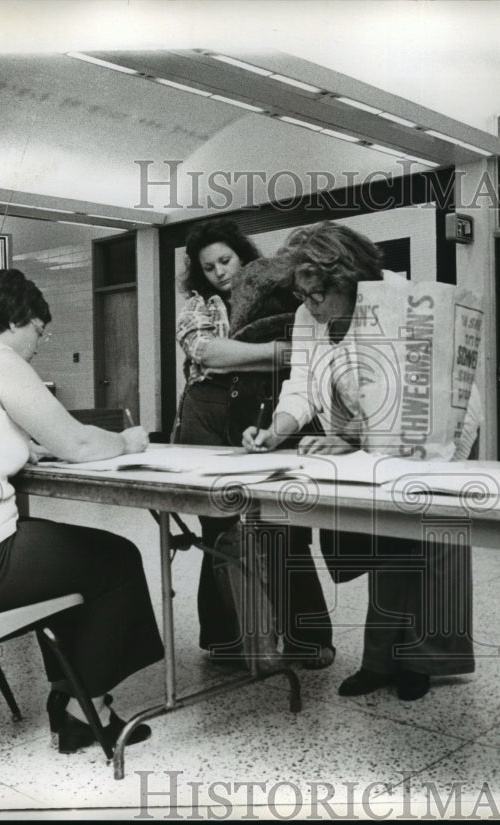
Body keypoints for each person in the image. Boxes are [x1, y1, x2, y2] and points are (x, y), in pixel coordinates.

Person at [0, 268, 164, 754]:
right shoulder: (0, 359)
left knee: (71, 554)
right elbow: (79, 442)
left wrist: (23, 447)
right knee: (117, 559)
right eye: (39, 332)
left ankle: (69, 692)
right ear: (18, 319)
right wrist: (128, 440)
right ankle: (83, 711)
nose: (38, 345)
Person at [244, 221, 475, 700]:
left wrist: (354, 437)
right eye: (301, 293)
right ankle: (379, 661)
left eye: (317, 293)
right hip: (367, 442)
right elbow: (302, 385)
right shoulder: (312, 315)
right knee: (388, 542)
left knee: (430, 544)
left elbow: (413, 396)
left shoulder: (402, 302)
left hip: (436, 436)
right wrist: (276, 431)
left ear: (349, 280)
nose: (309, 305)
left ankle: (421, 662)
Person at [173, 218, 334, 669]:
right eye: (209, 267)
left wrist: (260, 354)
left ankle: (307, 638)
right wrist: (282, 353)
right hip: (206, 415)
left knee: (285, 521)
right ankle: (226, 639)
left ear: (243, 256)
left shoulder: (283, 295)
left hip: (267, 412)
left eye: (225, 260)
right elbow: (209, 354)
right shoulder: (197, 306)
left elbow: (300, 353)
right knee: (219, 529)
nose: (220, 272)